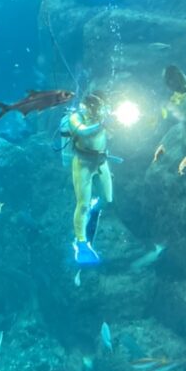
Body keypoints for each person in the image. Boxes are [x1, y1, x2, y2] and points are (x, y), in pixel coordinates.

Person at [67, 91, 114, 265]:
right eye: (92, 107)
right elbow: (83, 132)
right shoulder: (75, 118)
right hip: (83, 164)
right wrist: (102, 123)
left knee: (107, 199)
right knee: (83, 204)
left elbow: (112, 133)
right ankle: (80, 242)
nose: (94, 110)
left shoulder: (103, 116)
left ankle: (93, 213)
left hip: (101, 162)